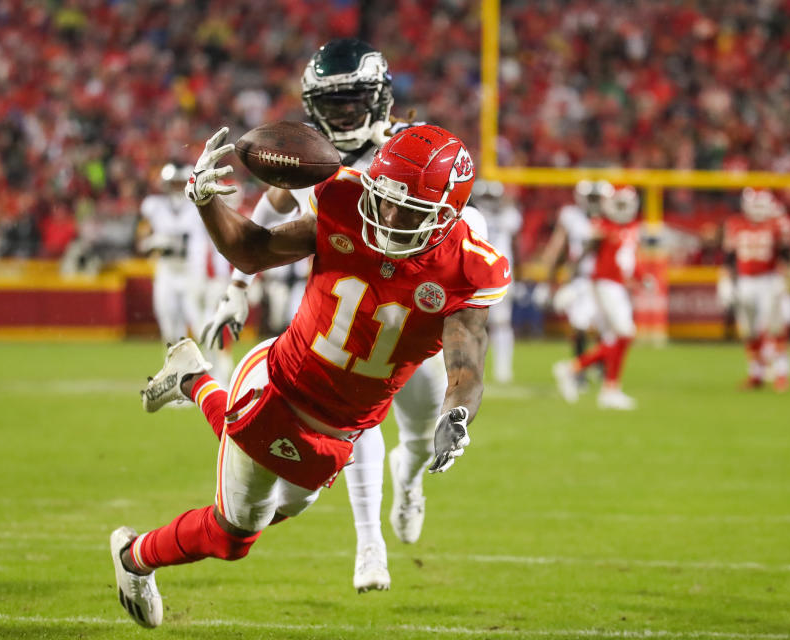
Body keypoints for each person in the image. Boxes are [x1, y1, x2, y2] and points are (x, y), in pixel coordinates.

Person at [108, 123, 511, 628]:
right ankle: (134, 558)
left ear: (447, 215)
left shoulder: (468, 267)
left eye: (406, 207)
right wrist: (208, 201)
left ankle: (193, 378)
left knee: (278, 509)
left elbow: (466, 363)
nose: (386, 214)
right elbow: (254, 249)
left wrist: (457, 414)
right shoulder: (345, 202)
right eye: (383, 197)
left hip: (344, 427)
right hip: (281, 387)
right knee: (236, 537)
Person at [197, 38, 487, 593]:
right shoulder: (313, 153)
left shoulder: (414, 151)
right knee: (359, 421)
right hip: (344, 313)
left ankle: (408, 483)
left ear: (379, 99)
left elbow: (459, 219)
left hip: (410, 319)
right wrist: (237, 285)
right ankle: (370, 546)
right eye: (331, 107)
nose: (341, 117)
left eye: (352, 104)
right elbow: (270, 209)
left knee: (422, 438)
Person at [135, 163, 233, 382]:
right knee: (170, 330)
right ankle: (179, 381)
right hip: (167, 273)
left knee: (202, 327)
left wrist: (221, 274)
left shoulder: (200, 204)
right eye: (174, 182)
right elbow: (141, 240)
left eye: (181, 181)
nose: (178, 186)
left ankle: (219, 375)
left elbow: (216, 242)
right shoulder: (154, 206)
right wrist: (152, 242)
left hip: (193, 273)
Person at [552, 186, 640, 410]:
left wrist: (641, 277)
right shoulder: (602, 226)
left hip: (616, 285)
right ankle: (573, 369)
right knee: (625, 334)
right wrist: (569, 279)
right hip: (604, 284)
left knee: (613, 338)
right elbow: (586, 252)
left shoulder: (629, 228)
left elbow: (628, 260)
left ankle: (609, 389)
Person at [534, 180, 614, 390]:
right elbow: (557, 248)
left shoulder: (612, 217)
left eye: (598, 198)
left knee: (607, 329)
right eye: (592, 198)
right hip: (581, 280)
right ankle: (580, 371)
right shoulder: (572, 216)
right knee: (579, 325)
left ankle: (602, 369)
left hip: (606, 279)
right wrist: (546, 281)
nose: (595, 203)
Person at [717, 188, 790, 391]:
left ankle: (781, 374)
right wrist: (725, 281)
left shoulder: (777, 224)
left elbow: (785, 255)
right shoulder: (735, 224)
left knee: (776, 327)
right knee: (750, 331)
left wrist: (782, 279)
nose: (759, 210)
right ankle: (756, 374)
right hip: (745, 281)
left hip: (769, 280)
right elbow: (729, 258)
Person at [473, 181, 522, 383]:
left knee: (501, 323)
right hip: (475, 274)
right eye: (486, 197)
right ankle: (474, 369)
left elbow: (516, 247)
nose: (489, 202)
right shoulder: (470, 215)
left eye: (492, 197)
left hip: (500, 274)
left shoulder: (509, 216)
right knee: (473, 323)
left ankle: (503, 370)